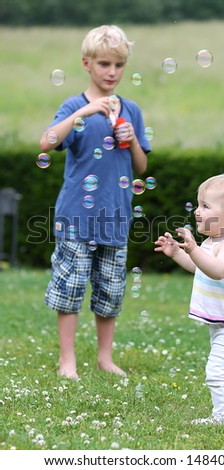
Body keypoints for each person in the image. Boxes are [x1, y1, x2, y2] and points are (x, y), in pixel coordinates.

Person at [40, 25, 151, 380]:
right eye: (104, 64)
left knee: (110, 291)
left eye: (119, 65)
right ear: (87, 64)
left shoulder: (131, 110)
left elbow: (141, 166)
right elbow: (46, 142)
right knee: (70, 289)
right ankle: (67, 360)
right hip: (76, 217)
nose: (112, 72)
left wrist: (133, 140)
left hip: (115, 217)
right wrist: (84, 114)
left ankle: (105, 358)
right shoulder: (74, 106)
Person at [154, 173, 224, 426]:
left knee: (217, 372)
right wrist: (178, 254)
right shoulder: (213, 240)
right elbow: (199, 267)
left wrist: (192, 248)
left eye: (205, 206)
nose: (197, 211)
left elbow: (218, 269)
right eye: (198, 204)